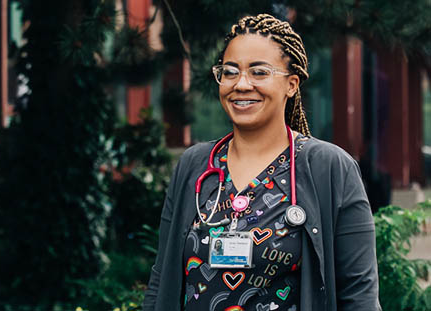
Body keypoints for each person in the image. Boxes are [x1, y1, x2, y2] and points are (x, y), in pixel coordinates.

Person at [143, 14, 381, 311]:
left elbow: (359, 297)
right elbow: (160, 281)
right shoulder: (195, 165)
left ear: (292, 84)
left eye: (259, 72)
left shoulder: (330, 168)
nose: (241, 84)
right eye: (229, 72)